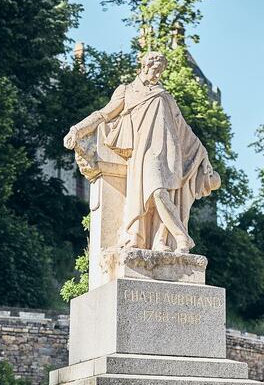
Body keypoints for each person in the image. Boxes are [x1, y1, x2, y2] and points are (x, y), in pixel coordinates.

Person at [64, 51, 220, 253]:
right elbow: (103, 113)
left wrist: (203, 153)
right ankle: (182, 237)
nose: (157, 75)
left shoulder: (165, 96)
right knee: (157, 193)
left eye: (160, 71)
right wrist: (77, 129)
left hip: (169, 153)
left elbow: (183, 129)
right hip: (144, 152)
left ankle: (161, 241)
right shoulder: (127, 91)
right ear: (144, 66)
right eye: (155, 70)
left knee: (164, 195)